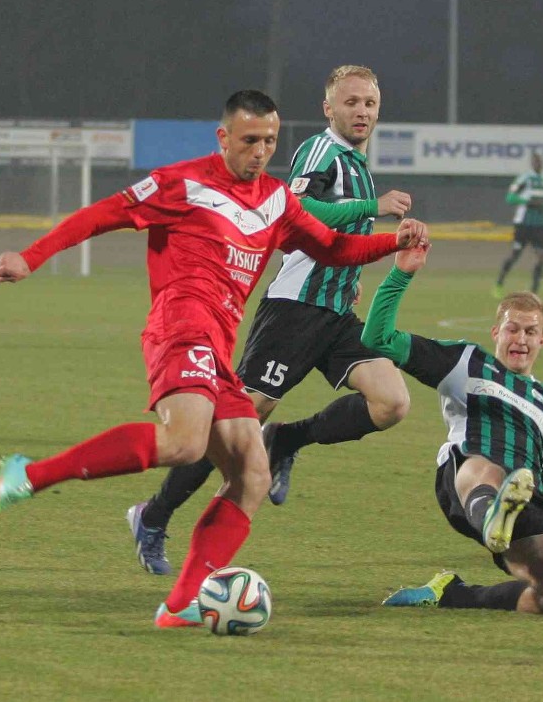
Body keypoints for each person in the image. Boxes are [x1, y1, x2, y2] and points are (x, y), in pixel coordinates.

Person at [0, 89, 428, 629]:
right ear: (223, 138)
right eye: (248, 140)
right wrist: (31, 257)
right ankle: (31, 474)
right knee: (185, 441)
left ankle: (180, 604)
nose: (260, 151)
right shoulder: (183, 183)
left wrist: (391, 244)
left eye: (268, 141)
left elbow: (331, 247)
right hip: (180, 325)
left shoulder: (277, 201)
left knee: (253, 475)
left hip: (218, 343)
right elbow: (103, 215)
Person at [126, 65, 415, 576]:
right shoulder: (321, 152)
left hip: (336, 313)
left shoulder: (357, 162)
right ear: (329, 109)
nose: (361, 112)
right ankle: (153, 515)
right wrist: (374, 206)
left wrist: (353, 272)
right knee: (234, 427)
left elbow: (337, 238)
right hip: (294, 311)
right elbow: (296, 206)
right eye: (350, 103)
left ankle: (288, 440)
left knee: (391, 402)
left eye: (369, 103)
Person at [361, 246, 543, 615]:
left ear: (542, 340)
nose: (520, 339)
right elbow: (378, 339)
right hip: (467, 476)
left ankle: (452, 593)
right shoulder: (466, 362)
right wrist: (401, 274)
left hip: (525, 499)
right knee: (490, 465)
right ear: (496, 332)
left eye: (531, 331)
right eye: (512, 329)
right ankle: (492, 516)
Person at [493, 153, 543, 297]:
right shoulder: (524, 179)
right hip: (523, 224)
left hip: (540, 224)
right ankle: (499, 282)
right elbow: (510, 198)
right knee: (515, 255)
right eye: (535, 161)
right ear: (531, 164)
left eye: (540, 161)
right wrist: (528, 202)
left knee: (541, 257)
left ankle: (534, 291)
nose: (538, 164)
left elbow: (541, 201)